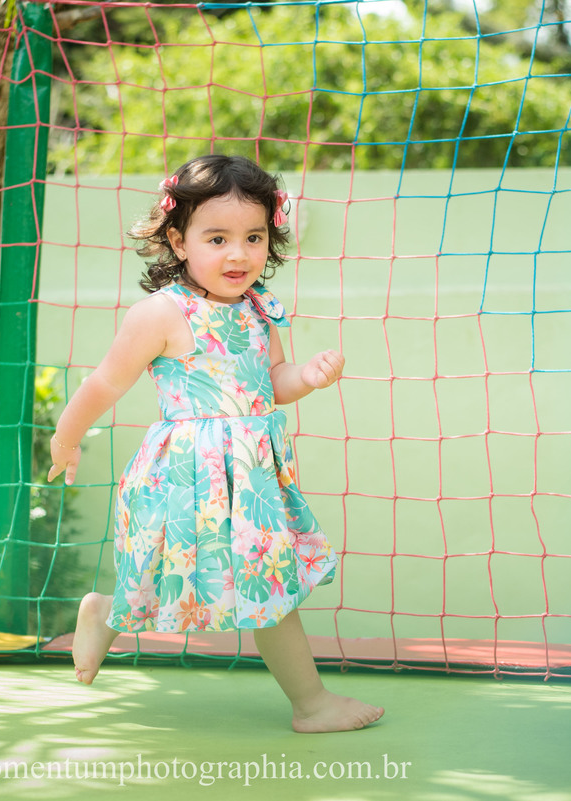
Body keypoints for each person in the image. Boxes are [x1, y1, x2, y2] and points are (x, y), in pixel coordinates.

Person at [47, 154, 383, 733]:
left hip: (250, 480)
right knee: (163, 572)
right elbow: (105, 382)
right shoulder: (161, 313)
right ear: (179, 241)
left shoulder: (261, 312)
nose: (239, 254)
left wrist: (307, 376)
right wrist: (66, 438)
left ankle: (311, 703)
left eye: (254, 237)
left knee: (266, 582)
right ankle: (105, 614)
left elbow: (272, 383)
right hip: (185, 475)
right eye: (218, 238)